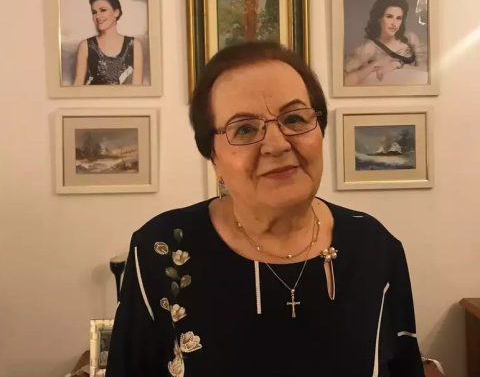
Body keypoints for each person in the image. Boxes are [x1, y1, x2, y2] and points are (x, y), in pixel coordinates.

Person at [106, 42, 424, 376]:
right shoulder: (162, 250)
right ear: (213, 157)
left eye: (294, 118)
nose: (277, 144)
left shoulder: (375, 247)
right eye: (244, 128)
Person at [344, 0, 428, 86]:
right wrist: (373, 66)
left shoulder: (410, 38)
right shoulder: (369, 48)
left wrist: (397, 64)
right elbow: (345, 81)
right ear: (379, 18)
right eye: (389, 16)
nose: (394, 23)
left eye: (398, 18)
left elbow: (427, 70)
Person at [73, 0, 144, 85]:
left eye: (103, 10)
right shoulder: (85, 46)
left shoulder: (134, 45)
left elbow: (138, 88)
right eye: (94, 12)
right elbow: (77, 87)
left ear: (116, 12)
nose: (98, 16)